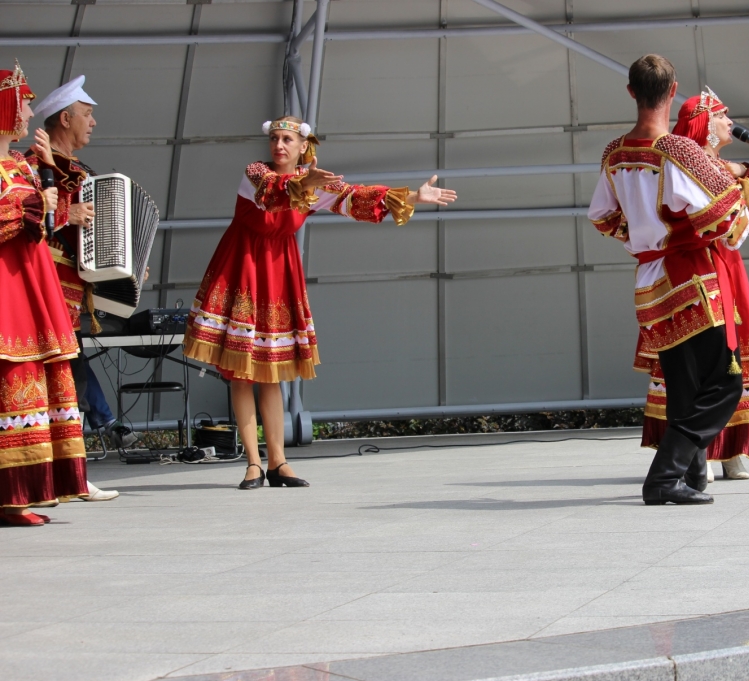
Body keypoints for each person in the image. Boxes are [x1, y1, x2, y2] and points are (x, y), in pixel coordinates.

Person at [184, 116, 457, 490]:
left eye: (287, 140)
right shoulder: (256, 173)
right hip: (243, 268)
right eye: (275, 139)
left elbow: (355, 197)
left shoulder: (312, 184)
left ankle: (278, 462)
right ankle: (252, 463)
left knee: (271, 370)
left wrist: (411, 196)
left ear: (302, 147)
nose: (278, 145)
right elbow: (271, 193)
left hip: (278, 273)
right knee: (242, 370)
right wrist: (304, 182)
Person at [588, 55, 749, 506]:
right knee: (724, 383)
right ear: (673, 90)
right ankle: (664, 477)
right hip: (692, 277)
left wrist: (642, 236)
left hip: (649, 279)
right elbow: (727, 219)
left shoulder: (614, 153)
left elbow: (602, 217)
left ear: (631, 92)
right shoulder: (678, 150)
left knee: (685, 385)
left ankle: (691, 475)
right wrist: (695, 228)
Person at [636, 87, 749, 481]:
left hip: (718, 265)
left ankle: (715, 452)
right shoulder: (697, 166)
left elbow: (744, 192)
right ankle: (697, 455)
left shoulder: (708, 163)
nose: (729, 123)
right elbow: (746, 207)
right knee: (718, 364)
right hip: (706, 266)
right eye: (722, 116)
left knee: (720, 361)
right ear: (704, 123)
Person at [27, 76, 129, 502]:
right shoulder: (31, 163)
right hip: (40, 285)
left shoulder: (83, 172)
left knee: (67, 380)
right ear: (65, 119)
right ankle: (56, 475)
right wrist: (69, 212)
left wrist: (123, 264)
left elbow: (94, 238)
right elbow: (32, 214)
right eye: (87, 115)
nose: (94, 123)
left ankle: (69, 474)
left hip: (71, 292)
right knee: (53, 377)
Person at [0, 60, 89, 526]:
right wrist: (38, 204)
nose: (28, 112)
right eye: (25, 103)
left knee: (30, 384)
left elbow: (44, 223)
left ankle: (21, 493)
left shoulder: (18, 162)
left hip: (29, 282)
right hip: (5, 286)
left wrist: (49, 191)